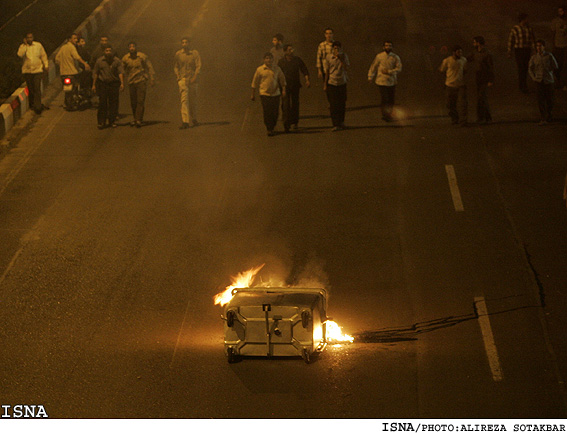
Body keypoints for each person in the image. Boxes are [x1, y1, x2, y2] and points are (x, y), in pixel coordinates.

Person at [251, 52, 286, 136]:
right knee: (267, 112)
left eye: (270, 58)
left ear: (272, 59)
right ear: (264, 60)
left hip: (275, 93)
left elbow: (282, 80)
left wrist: (284, 90)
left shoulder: (277, 68)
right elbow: (254, 82)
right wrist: (252, 94)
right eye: (267, 58)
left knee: (275, 112)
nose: (268, 60)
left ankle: (273, 126)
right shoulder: (260, 69)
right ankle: (269, 128)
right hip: (264, 94)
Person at [122, 42, 155, 128]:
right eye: (130, 47)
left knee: (140, 100)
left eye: (133, 46)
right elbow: (122, 70)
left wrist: (152, 78)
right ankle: (135, 117)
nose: (132, 48)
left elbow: (149, 67)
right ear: (128, 48)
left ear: (136, 47)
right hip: (131, 81)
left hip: (141, 80)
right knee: (133, 101)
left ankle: (139, 119)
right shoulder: (125, 58)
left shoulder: (142, 57)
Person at [367, 40, 402, 122]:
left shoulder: (395, 57)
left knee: (391, 99)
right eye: (386, 46)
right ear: (383, 47)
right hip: (381, 81)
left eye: (389, 46)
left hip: (392, 81)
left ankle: (389, 113)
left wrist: (390, 71)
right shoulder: (379, 56)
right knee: (385, 99)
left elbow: (399, 68)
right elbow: (374, 66)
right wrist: (370, 76)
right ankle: (385, 114)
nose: (388, 47)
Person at [278, 44, 310, 132]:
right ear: (285, 52)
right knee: (285, 104)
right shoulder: (281, 62)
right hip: (285, 86)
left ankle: (295, 121)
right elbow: (278, 74)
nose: (291, 51)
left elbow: (304, 69)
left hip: (295, 85)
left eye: (292, 49)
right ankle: (286, 124)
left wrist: (307, 79)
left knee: (295, 104)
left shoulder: (297, 60)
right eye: (289, 49)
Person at [92, 45, 124, 129]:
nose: (108, 52)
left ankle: (112, 121)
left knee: (113, 103)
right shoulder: (99, 61)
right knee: (102, 103)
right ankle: (101, 122)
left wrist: (122, 83)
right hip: (103, 84)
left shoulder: (117, 61)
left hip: (113, 84)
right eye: (107, 51)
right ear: (104, 52)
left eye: (110, 51)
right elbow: (96, 73)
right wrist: (94, 85)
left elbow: (120, 72)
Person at [17, 32, 49, 114]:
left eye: (31, 37)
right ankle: (32, 104)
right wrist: (25, 46)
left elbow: (43, 55)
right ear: (26, 39)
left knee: (37, 88)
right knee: (31, 89)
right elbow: (20, 55)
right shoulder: (23, 47)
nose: (29, 39)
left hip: (37, 70)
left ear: (33, 38)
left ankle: (38, 107)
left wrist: (46, 65)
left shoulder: (38, 45)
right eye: (28, 38)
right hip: (27, 71)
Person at [528, 40, 559, 125]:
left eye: (540, 46)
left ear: (544, 47)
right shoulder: (534, 57)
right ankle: (543, 117)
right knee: (540, 100)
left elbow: (555, 66)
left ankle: (549, 115)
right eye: (537, 46)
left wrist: (550, 73)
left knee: (549, 99)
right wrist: (534, 77)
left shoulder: (549, 56)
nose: (539, 48)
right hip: (539, 81)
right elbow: (530, 68)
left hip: (548, 81)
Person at [174, 37, 202, 129]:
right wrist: (178, 77)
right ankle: (185, 121)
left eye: (186, 42)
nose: (185, 44)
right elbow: (176, 66)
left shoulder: (194, 53)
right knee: (184, 101)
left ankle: (194, 118)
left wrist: (195, 77)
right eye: (183, 42)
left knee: (193, 100)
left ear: (189, 43)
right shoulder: (178, 54)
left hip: (193, 79)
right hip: (183, 79)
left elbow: (198, 66)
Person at [468, 36, 494, 124]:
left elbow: (491, 67)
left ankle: (484, 117)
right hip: (478, 77)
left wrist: (490, 80)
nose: (473, 44)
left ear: (478, 43)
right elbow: (468, 59)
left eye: (474, 42)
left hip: (484, 77)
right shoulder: (475, 52)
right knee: (481, 98)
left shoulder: (487, 53)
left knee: (481, 97)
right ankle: (484, 117)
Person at [324, 41, 349, 131]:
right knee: (333, 104)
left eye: (338, 48)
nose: (336, 50)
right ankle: (335, 124)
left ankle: (341, 121)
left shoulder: (344, 56)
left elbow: (346, 68)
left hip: (342, 82)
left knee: (342, 103)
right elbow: (327, 71)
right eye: (335, 48)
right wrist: (325, 84)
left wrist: (341, 59)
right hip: (332, 83)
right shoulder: (328, 57)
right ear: (332, 49)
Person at [507, 13, 536, 93]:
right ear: (523, 19)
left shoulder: (529, 29)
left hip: (526, 50)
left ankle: (523, 84)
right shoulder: (515, 29)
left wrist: (534, 50)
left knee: (525, 67)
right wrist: (509, 51)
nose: (527, 20)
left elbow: (532, 39)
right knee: (521, 67)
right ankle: (522, 85)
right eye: (526, 19)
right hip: (519, 50)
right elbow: (511, 40)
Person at [439, 45, 468, 126]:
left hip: (460, 85)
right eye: (458, 52)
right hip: (450, 85)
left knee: (462, 104)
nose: (460, 53)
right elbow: (441, 70)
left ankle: (463, 121)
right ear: (454, 52)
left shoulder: (464, 60)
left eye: (461, 52)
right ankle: (455, 118)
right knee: (450, 104)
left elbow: (465, 70)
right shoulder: (447, 60)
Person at [551, 5, 567, 89]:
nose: (561, 13)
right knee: (557, 64)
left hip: (565, 46)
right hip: (557, 46)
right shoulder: (555, 21)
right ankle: (558, 81)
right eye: (559, 11)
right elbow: (553, 34)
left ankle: (563, 83)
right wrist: (553, 45)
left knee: (565, 65)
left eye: (562, 11)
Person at [76, 37, 93, 102]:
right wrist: (86, 64)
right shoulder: (82, 50)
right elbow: (88, 58)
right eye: (82, 41)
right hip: (82, 69)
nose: (84, 43)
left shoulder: (75, 50)